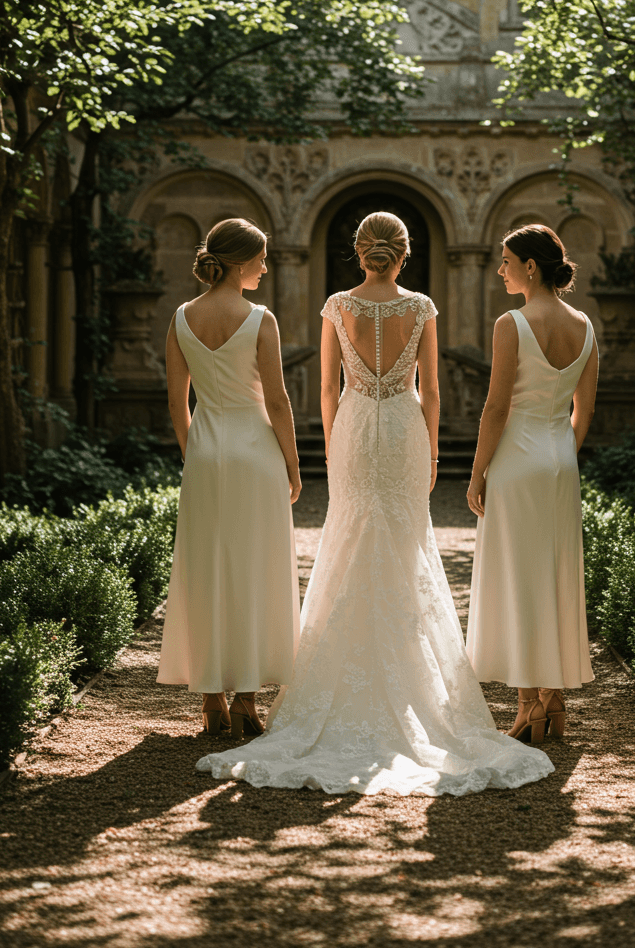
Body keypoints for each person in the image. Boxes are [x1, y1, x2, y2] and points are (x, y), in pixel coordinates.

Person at [196, 211, 553, 795]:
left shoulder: (337, 305)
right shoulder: (421, 308)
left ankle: (328, 683)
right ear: (403, 254)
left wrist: (335, 446)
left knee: (350, 537)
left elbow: (327, 387)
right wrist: (434, 450)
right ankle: (418, 685)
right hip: (406, 428)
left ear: (359, 253)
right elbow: (431, 389)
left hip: (356, 429)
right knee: (408, 543)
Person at [157, 218, 301, 738]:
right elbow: (279, 401)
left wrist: (193, 448)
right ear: (240, 263)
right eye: (262, 259)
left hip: (206, 450)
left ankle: (211, 702)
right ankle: (245, 700)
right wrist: (292, 461)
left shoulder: (181, 317)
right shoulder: (260, 319)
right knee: (253, 568)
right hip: (255, 452)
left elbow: (178, 400)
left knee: (207, 568)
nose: (266, 267)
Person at [466, 224, 599, 744]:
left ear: (531, 267)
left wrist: (478, 473)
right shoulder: (585, 325)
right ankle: (554, 699)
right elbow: (583, 410)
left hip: (517, 462)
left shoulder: (511, 323)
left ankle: (527, 708)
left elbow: (496, 408)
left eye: (506, 261)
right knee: (554, 574)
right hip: (559, 461)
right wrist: (560, 451)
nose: (500, 269)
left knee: (518, 578)